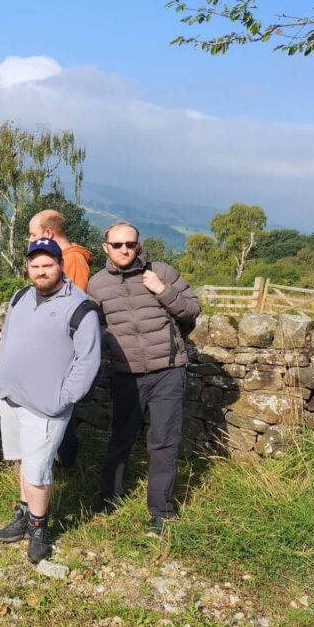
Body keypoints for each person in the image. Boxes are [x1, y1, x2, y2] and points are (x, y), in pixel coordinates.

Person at [0, 239, 101, 563]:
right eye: (35, 265)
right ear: (28, 267)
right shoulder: (21, 296)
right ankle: (24, 516)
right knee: (23, 462)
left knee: (38, 471)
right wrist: (1, 380)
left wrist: (62, 399)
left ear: (60, 265)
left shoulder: (81, 307)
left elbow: (88, 360)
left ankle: (39, 529)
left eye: (47, 265)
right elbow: (8, 337)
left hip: (46, 408)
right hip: (11, 397)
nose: (41, 271)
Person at [87, 221, 200, 535]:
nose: (125, 249)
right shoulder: (96, 285)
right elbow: (93, 327)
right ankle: (109, 498)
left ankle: (161, 512)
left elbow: (192, 309)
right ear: (105, 248)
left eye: (130, 244)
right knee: (120, 438)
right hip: (126, 374)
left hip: (168, 370)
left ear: (138, 245)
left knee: (163, 442)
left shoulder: (161, 272)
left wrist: (163, 291)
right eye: (118, 245)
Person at [28, 208, 94, 468]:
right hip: (51, 345)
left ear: (48, 233)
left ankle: (63, 465)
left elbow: (72, 302)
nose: (31, 240)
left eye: (33, 234)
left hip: (64, 348)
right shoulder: (63, 257)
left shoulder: (73, 259)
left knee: (63, 407)